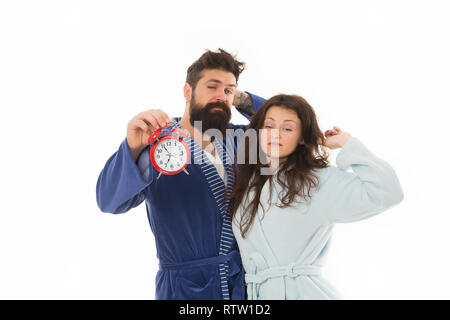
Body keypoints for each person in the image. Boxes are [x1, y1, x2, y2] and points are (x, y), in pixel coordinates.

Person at [96, 49, 266, 299]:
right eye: (212, 86)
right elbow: (109, 201)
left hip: (243, 286)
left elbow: (286, 121)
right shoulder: (157, 144)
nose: (221, 96)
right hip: (184, 289)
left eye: (228, 90)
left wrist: (237, 98)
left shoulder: (240, 140)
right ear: (188, 91)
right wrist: (132, 148)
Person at [229, 94, 404, 299]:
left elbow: (387, 191)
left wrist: (346, 144)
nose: (275, 134)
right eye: (268, 126)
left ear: (303, 137)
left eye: (287, 128)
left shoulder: (318, 181)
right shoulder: (249, 184)